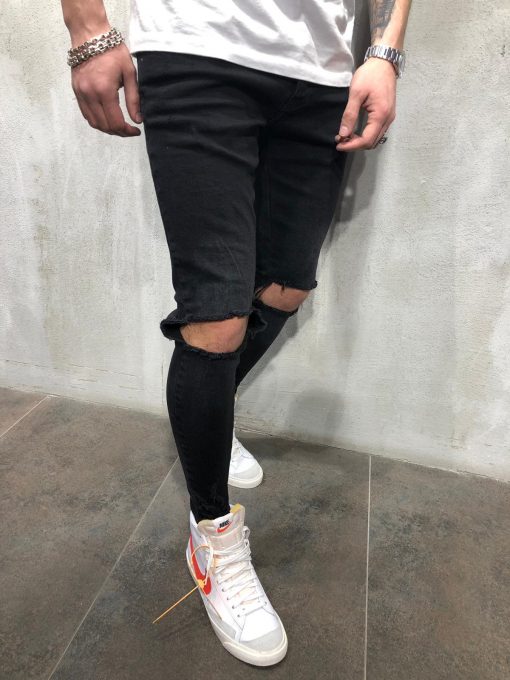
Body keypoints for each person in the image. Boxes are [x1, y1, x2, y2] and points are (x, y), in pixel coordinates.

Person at [60, 0, 412, 667]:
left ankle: (206, 414)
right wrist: (88, 30)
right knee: (215, 314)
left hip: (322, 74)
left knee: (286, 286)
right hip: (198, 52)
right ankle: (212, 537)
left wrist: (385, 51)